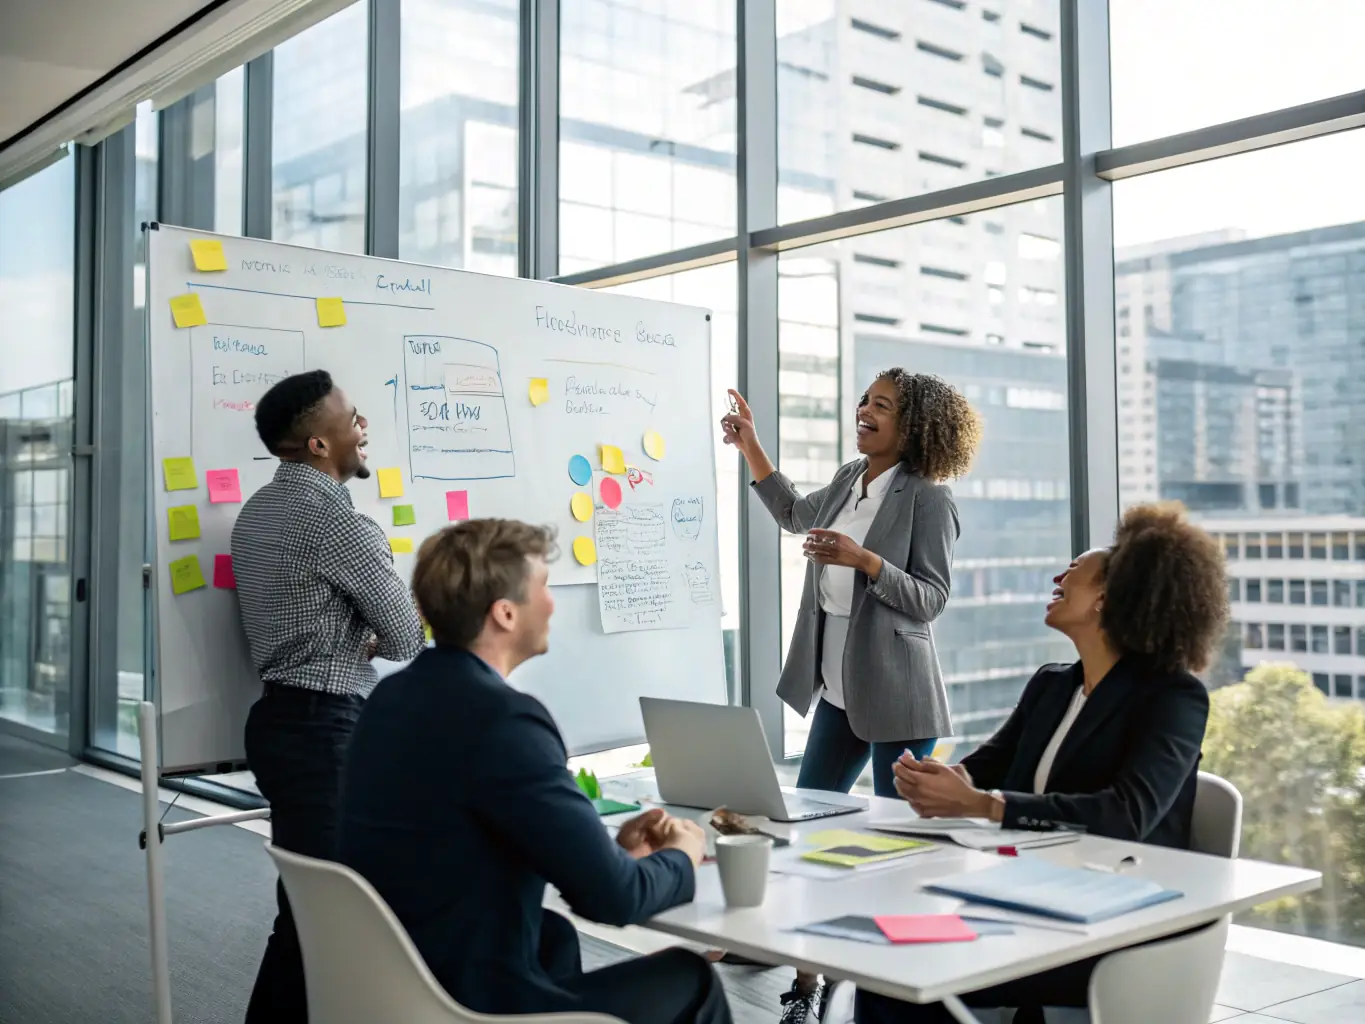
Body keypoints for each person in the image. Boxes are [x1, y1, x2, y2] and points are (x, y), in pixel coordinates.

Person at [337, 519, 732, 1024]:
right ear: (504, 613)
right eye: (543, 587)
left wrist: (609, 855)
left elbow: (458, 841)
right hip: (466, 1004)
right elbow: (613, 900)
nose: (551, 602)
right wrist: (683, 854)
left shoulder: (390, 698)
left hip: (393, 982)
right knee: (689, 977)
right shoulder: (503, 720)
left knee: (553, 938)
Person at [864, 502, 1228, 1024]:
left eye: (1075, 569)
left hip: (1113, 920)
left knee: (903, 981)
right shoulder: (1053, 684)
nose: (1059, 576)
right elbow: (986, 765)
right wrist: (939, 782)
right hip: (1027, 896)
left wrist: (983, 806)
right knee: (886, 964)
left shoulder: (1173, 698)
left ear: (1106, 597)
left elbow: (1126, 815)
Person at [721, 371, 981, 1024]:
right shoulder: (847, 479)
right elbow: (790, 514)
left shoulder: (928, 498)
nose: (863, 410)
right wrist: (750, 445)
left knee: (893, 852)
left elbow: (931, 599)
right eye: (863, 399)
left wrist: (864, 562)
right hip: (837, 690)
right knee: (812, 836)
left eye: (881, 405)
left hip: (897, 697)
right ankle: (807, 989)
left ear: (913, 425)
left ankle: (895, 989)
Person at [233, 369, 426, 1023]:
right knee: (331, 921)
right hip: (327, 731)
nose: (362, 428)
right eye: (353, 418)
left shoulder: (255, 512)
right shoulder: (342, 527)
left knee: (311, 915)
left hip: (281, 722)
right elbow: (405, 636)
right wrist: (369, 639)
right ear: (318, 443)